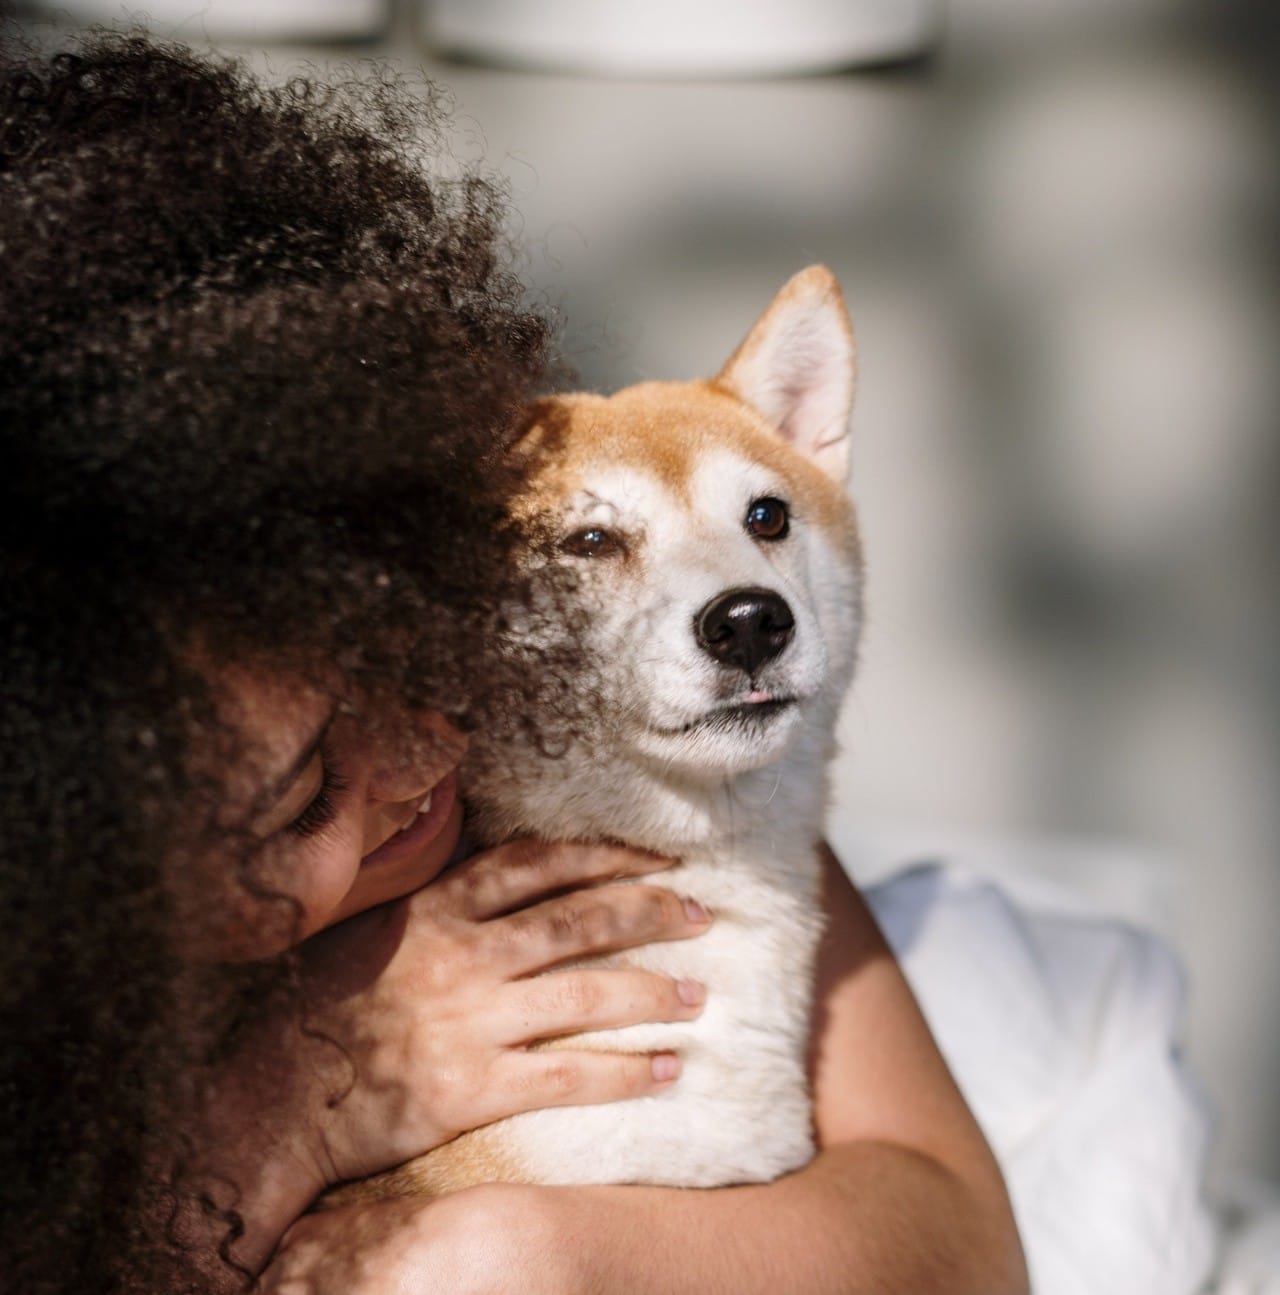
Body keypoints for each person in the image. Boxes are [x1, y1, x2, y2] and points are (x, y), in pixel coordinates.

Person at [0, 32, 1027, 1295]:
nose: (428, 749)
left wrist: (540, 1247)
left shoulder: (633, 780)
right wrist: (303, 1093)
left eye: (407, 654)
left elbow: (962, 1233)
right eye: (311, 791)